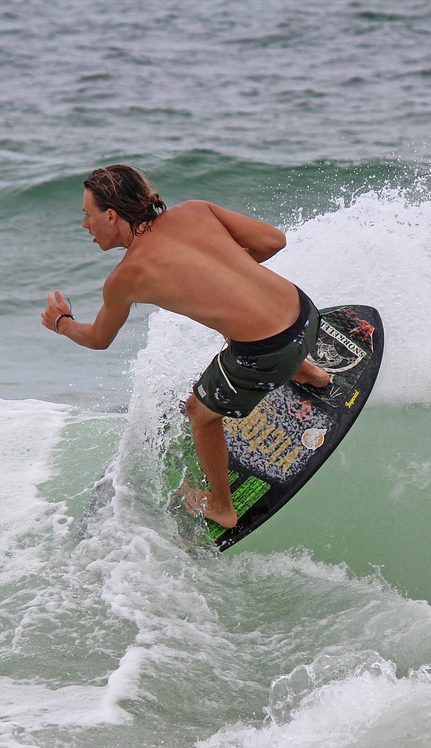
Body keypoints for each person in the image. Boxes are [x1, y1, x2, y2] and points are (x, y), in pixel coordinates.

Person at [43, 164, 329, 529]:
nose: (85, 225)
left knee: (199, 412)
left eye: (88, 215)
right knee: (235, 325)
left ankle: (221, 506)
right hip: (306, 314)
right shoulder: (195, 210)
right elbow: (274, 241)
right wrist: (228, 270)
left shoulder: (125, 278)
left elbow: (99, 339)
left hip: (271, 352)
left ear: (111, 216)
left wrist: (62, 324)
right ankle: (314, 375)